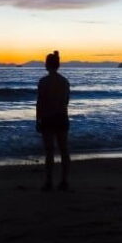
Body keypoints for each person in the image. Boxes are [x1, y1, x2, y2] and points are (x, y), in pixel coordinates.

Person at [36, 50, 71, 191]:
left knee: (49, 151)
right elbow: (66, 101)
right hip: (62, 117)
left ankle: (49, 182)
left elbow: (40, 102)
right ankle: (64, 181)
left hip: (48, 118)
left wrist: (38, 119)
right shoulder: (64, 81)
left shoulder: (43, 82)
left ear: (47, 65)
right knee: (64, 150)